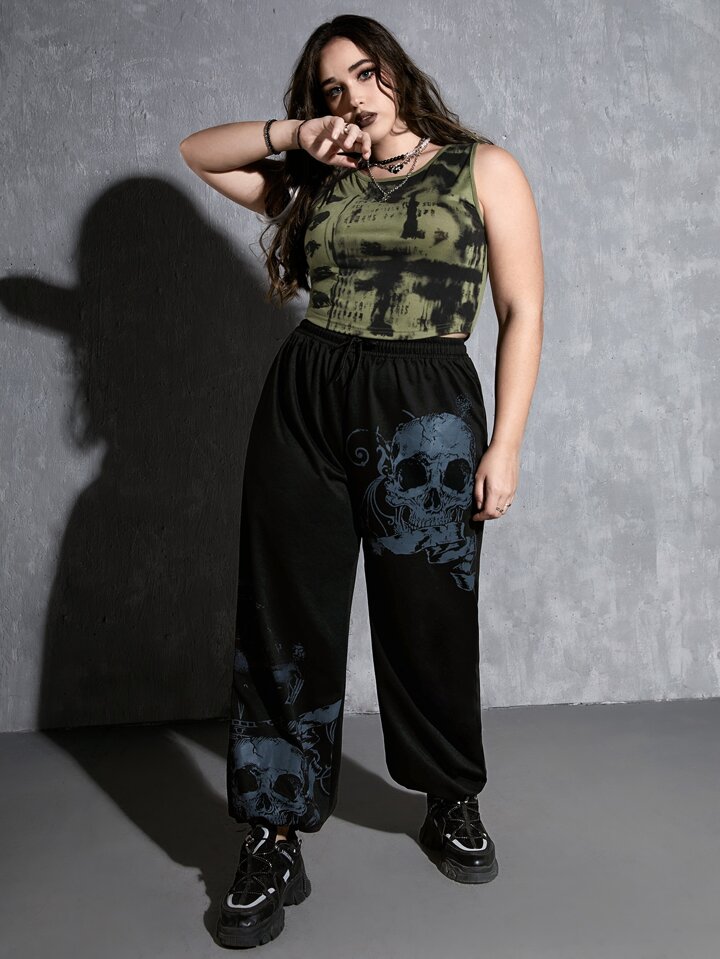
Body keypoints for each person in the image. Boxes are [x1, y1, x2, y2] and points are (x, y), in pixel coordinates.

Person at [180, 12, 543, 950]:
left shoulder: (481, 167)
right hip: (307, 395)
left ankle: (449, 793)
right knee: (283, 616)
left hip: (426, 406)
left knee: (429, 610)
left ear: (398, 72)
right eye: (332, 88)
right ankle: (272, 831)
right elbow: (197, 153)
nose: (352, 96)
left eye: (365, 73)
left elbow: (522, 306)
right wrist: (296, 134)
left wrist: (506, 443)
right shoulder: (319, 175)